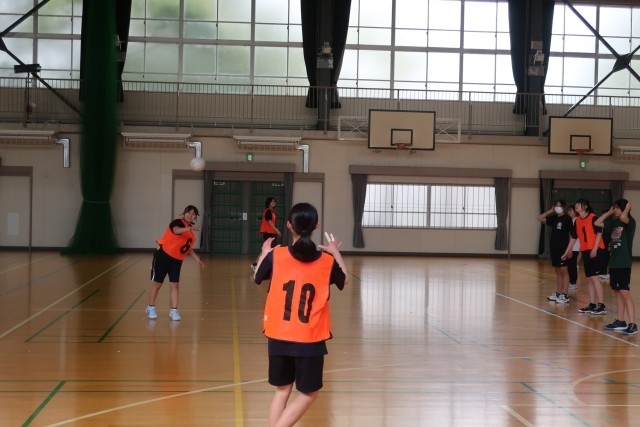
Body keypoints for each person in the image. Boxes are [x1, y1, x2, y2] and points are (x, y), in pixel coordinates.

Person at [253, 202, 347, 427]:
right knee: (308, 394)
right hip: (309, 339)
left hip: (278, 335)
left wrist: (264, 253)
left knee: (282, 391)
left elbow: (257, 278)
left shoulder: (277, 255)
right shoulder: (326, 261)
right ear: (317, 225)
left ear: (288, 225)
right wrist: (335, 252)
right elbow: (343, 280)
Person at [146, 205, 205, 321]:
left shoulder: (191, 235)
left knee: (175, 285)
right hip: (162, 256)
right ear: (184, 213)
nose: (190, 215)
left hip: (176, 260)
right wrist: (189, 228)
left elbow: (188, 248)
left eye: (193, 214)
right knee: (158, 283)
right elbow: (176, 230)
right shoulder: (177, 222)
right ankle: (150, 307)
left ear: (195, 217)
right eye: (188, 212)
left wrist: (197, 259)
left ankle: (174, 310)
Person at [596, 199, 637, 335]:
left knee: (625, 293)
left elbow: (624, 217)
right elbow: (597, 223)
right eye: (614, 208)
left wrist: (627, 208)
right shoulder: (614, 223)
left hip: (623, 263)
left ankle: (633, 324)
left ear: (624, 208)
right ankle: (620, 321)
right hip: (613, 263)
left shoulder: (630, 222)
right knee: (617, 292)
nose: (615, 210)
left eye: (617, 208)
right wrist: (609, 212)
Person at [562, 199, 607, 315]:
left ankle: (602, 305)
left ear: (585, 206)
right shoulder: (577, 220)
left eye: (579, 204)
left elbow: (599, 233)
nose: (576, 205)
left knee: (595, 278)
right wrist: (567, 251)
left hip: (597, 250)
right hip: (586, 251)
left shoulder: (593, 217)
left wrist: (595, 249)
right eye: (576, 204)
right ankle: (592, 304)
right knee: (589, 278)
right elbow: (573, 237)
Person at [538, 200, 572, 304]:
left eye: (559, 206)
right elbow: (539, 218)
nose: (557, 207)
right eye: (556, 206)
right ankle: (558, 293)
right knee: (558, 271)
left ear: (564, 207)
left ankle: (565, 295)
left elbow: (571, 235)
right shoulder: (554, 218)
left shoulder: (567, 218)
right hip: (554, 248)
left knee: (564, 270)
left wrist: (569, 250)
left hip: (563, 248)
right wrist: (550, 211)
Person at [251, 197, 282, 271]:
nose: (274, 202)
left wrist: (276, 231)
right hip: (269, 234)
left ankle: (256, 265)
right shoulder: (268, 211)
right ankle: (256, 265)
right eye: (272, 201)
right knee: (267, 250)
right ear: (269, 203)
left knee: (268, 250)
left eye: (274, 201)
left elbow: (273, 223)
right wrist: (277, 230)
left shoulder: (272, 212)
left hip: (271, 233)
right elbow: (270, 223)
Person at [566, 205, 581, 291]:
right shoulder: (570, 221)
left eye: (570, 210)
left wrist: (571, 248)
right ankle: (570, 281)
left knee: (572, 265)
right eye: (568, 210)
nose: (569, 212)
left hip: (575, 246)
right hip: (570, 246)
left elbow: (573, 235)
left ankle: (573, 283)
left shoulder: (577, 220)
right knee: (570, 265)